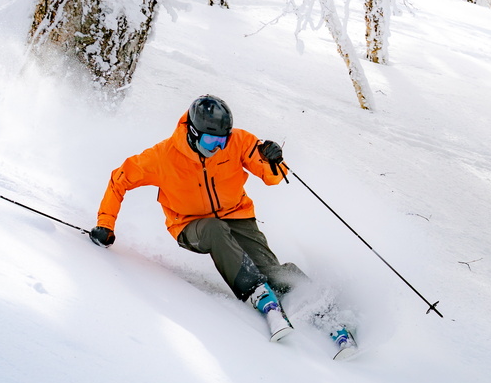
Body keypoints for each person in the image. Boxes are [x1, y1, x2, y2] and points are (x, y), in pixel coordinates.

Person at [88, 95, 357, 355]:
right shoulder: (161, 158)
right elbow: (118, 179)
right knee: (215, 230)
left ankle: (323, 310)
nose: (218, 146)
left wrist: (273, 159)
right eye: (211, 140)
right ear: (193, 133)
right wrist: (106, 224)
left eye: (222, 140)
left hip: (238, 214)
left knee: (273, 271)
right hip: (189, 224)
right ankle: (257, 292)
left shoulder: (238, 142)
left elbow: (274, 177)